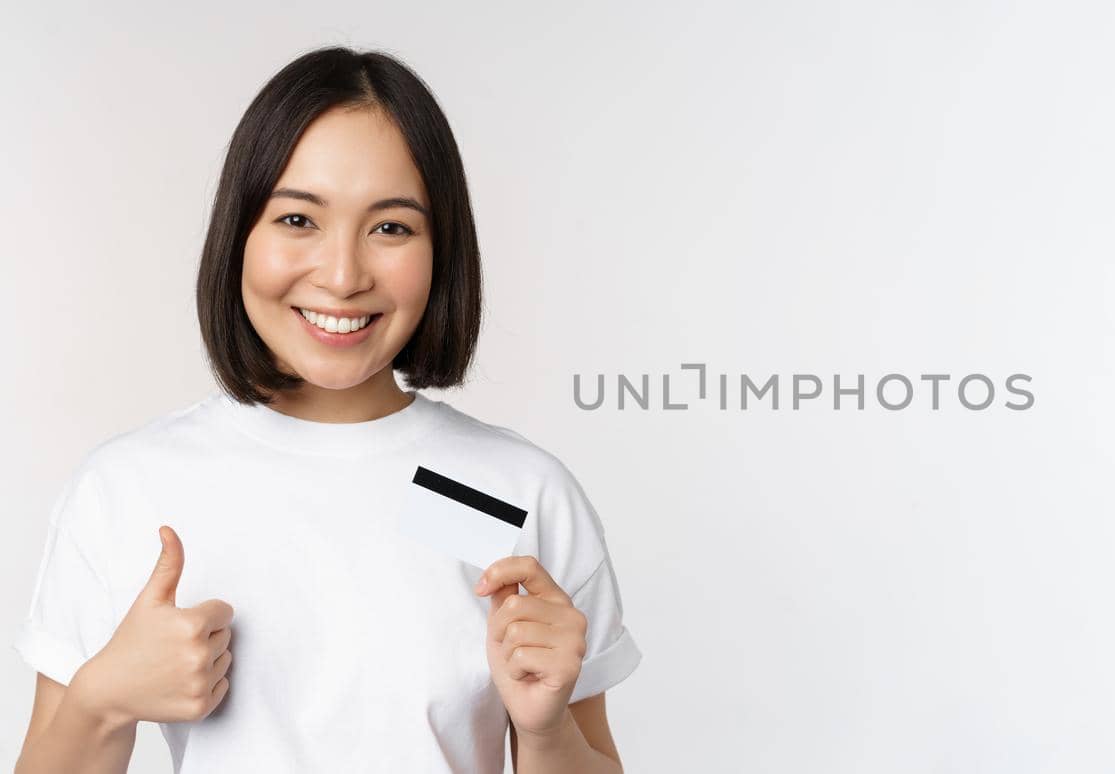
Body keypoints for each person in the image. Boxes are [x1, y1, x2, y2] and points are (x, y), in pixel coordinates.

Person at [11, 46, 642, 773]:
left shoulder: (516, 495)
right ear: (239, 235)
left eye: (391, 227)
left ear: (442, 251)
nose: (343, 277)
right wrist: (102, 702)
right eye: (298, 220)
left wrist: (543, 731)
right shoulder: (129, 487)